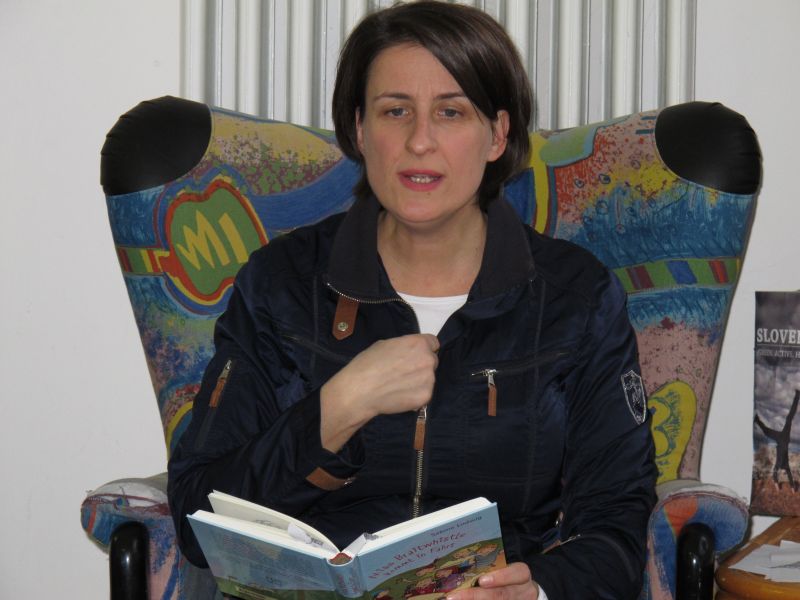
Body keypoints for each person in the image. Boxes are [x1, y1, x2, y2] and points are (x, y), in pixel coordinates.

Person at [167, 2, 657, 598]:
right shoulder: (281, 285)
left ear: (498, 134)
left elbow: (616, 526)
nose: (420, 141)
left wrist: (536, 590)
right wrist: (340, 404)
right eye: (395, 111)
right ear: (359, 129)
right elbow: (197, 519)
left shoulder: (576, 299)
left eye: (451, 112)